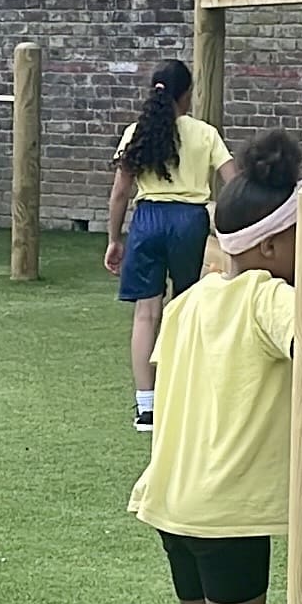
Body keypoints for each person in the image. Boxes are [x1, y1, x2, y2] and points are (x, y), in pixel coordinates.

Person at [76, 131, 302, 604]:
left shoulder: (191, 304)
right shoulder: (272, 299)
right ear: (272, 246)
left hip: (175, 506)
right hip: (227, 513)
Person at [101, 56, 225, 431]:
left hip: (148, 219)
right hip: (189, 221)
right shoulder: (205, 133)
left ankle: (146, 407)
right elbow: (234, 180)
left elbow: (120, 193)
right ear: (187, 94)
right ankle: (186, 394)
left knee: (145, 314)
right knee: (184, 309)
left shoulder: (136, 132)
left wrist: (114, 239)